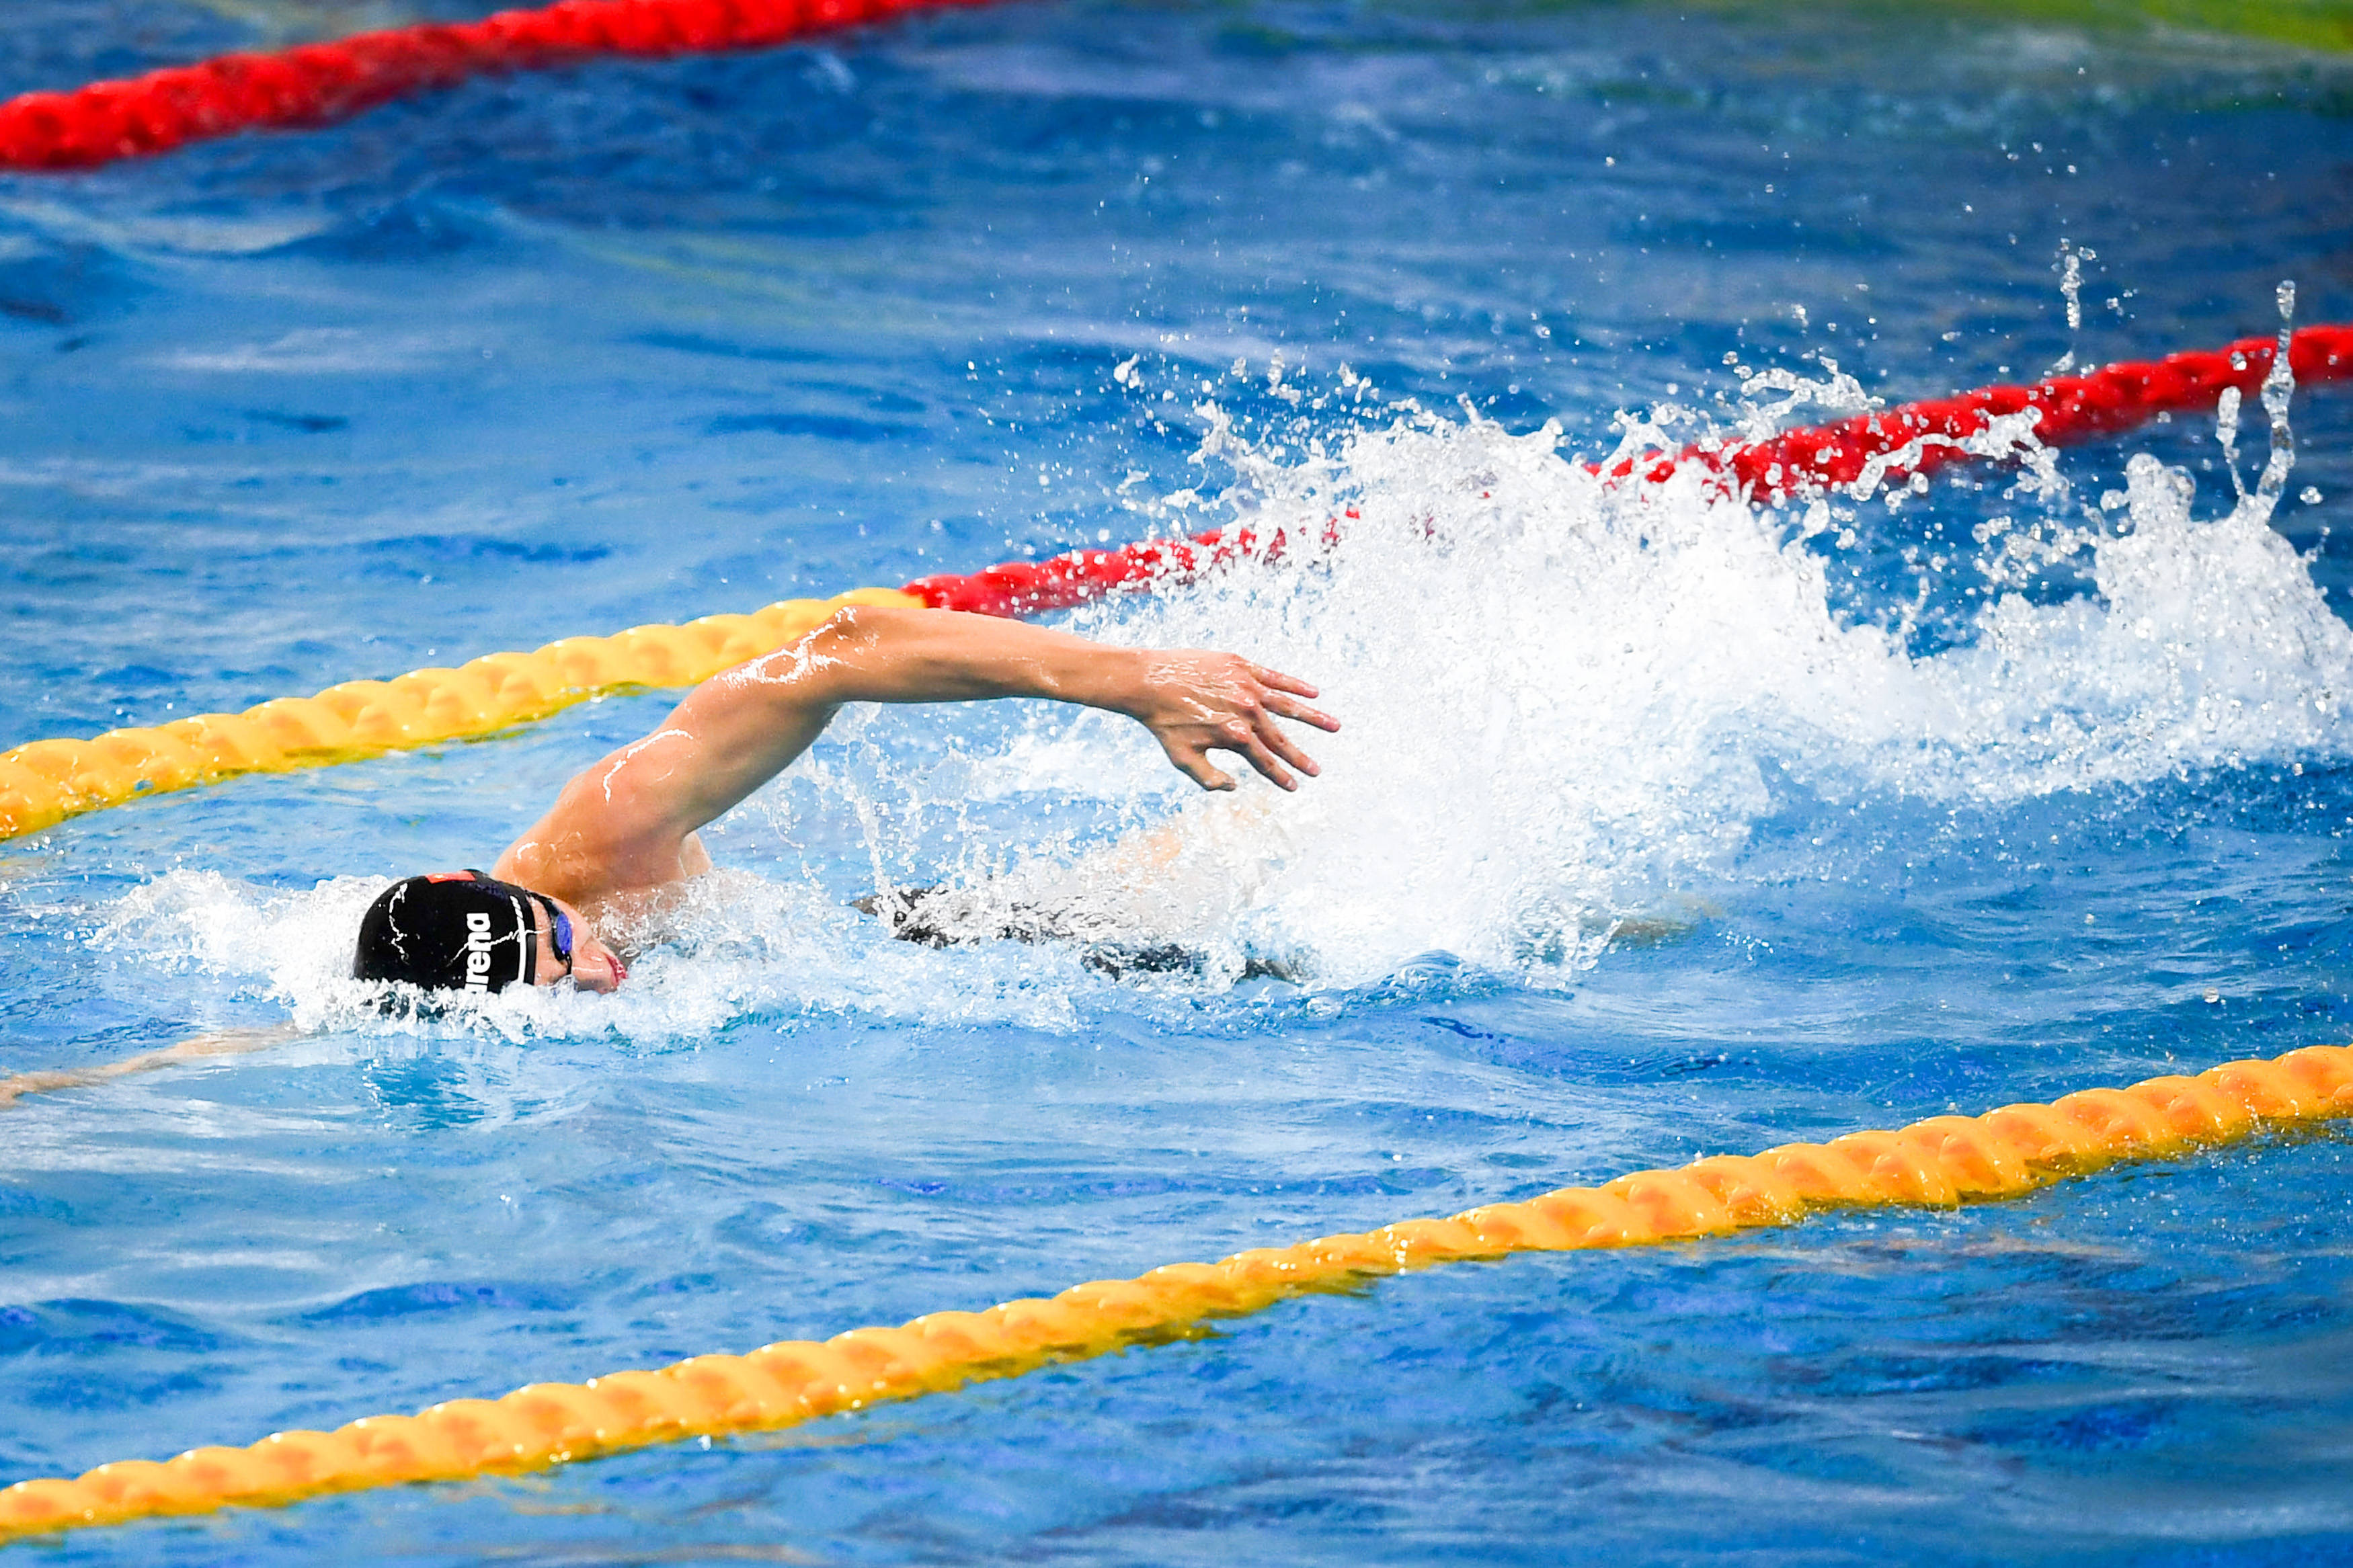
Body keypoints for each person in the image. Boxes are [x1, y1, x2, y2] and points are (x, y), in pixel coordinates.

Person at [351, 604, 1339, 997]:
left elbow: (840, 649)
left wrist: (1126, 679)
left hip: (894, 941)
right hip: (825, 961)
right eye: (553, 987)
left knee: (1254, 958)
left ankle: (1328, 799)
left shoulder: (607, 830)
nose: (598, 972)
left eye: (563, 941)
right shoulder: (417, 995)